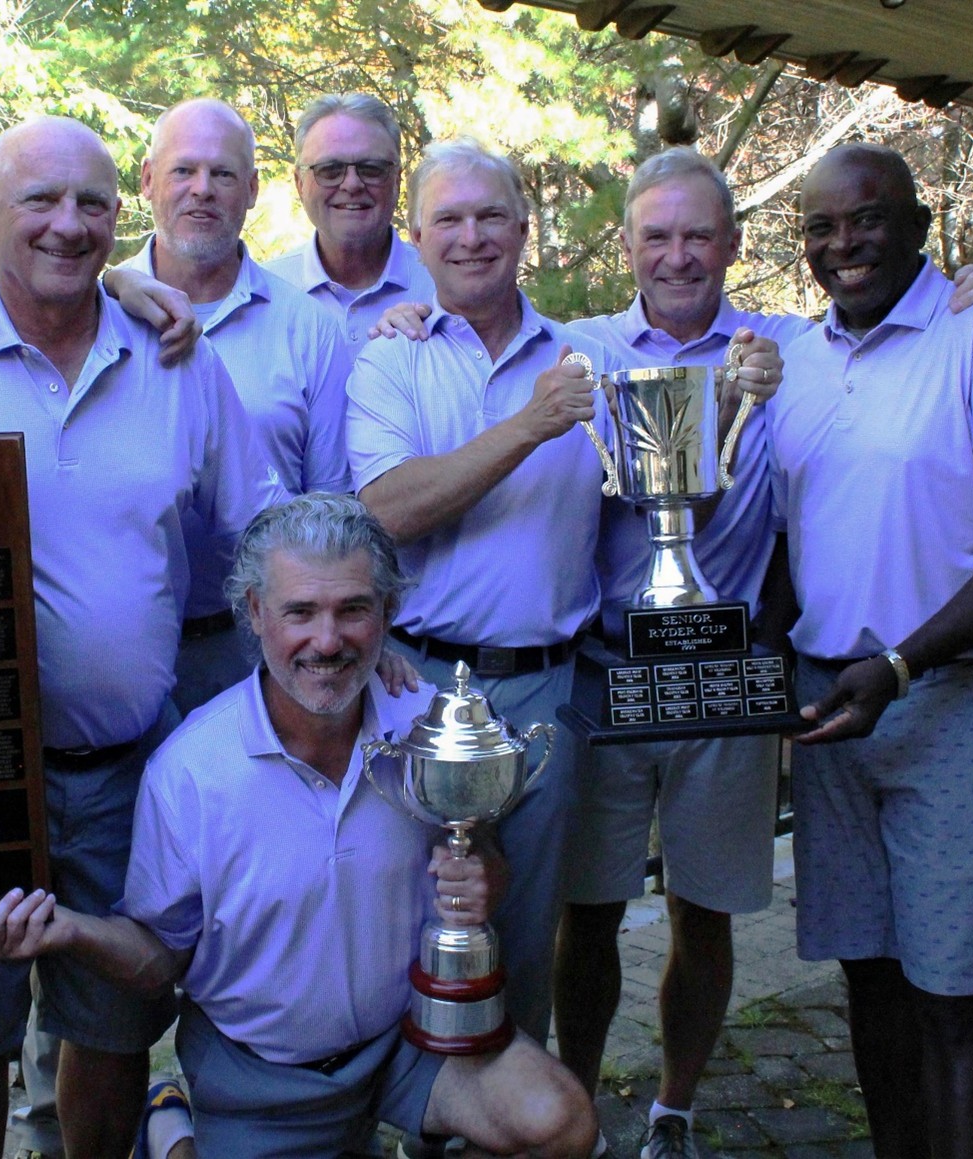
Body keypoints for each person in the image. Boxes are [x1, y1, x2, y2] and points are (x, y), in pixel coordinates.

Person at [543, 147, 973, 1159]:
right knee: (585, 915)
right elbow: (479, 342)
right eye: (655, 236)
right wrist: (404, 313)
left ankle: (672, 1110)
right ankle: (571, 1110)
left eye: (697, 235)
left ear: (732, 243)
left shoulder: (790, 347)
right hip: (604, 671)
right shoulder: (576, 347)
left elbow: (893, 332)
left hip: (731, 675)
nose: (677, 255)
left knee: (706, 908)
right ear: (626, 246)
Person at [0, 115, 276, 1159]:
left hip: (125, 769)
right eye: (39, 199)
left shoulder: (178, 360)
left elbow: (264, 531)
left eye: (92, 203)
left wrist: (350, 639)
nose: (67, 224)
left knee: (112, 1030)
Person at [0, 492, 598, 1159]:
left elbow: (483, 856)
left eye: (352, 609)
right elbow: (159, 959)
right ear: (255, 612)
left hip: (409, 1045)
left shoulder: (428, 725)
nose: (327, 640)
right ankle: (171, 1127)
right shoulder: (192, 770)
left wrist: (482, 876)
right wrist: (68, 930)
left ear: (387, 613)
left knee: (560, 1122)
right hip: (258, 1080)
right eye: (301, 611)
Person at [345, 137, 783, 1063]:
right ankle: (405, 1111)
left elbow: (665, 499)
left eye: (491, 217)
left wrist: (728, 416)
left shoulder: (590, 356)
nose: (471, 237)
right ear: (416, 237)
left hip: (554, 690)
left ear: (523, 229)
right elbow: (385, 512)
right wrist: (530, 423)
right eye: (448, 219)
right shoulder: (391, 356)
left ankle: (523, 1112)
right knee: (400, 921)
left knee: (531, 931)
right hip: (415, 683)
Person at [768, 142, 973, 1157]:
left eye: (864, 219)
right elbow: (789, 542)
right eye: (818, 227)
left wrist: (898, 666)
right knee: (869, 975)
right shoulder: (796, 359)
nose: (842, 244)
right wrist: (760, 673)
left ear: (917, 223)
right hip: (832, 710)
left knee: (951, 993)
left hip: (957, 704)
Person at [125, 97, 351, 716]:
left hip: (261, 651)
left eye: (223, 174)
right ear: (147, 179)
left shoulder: (308, 329)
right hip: (120, 651)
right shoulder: (97, 316)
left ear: (251, 190)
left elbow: (331, 505)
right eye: (183, 170)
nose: (202, 189)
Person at [263, 93, 435, 348]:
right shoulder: (263, 296)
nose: (352, 184)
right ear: (299, 184)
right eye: (330, 170)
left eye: (371, 169)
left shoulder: (442, 287)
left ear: (397, 180)